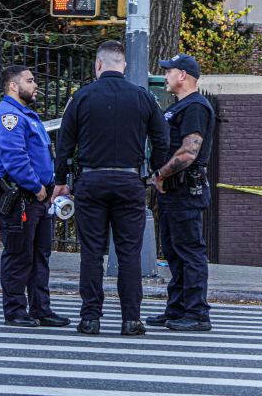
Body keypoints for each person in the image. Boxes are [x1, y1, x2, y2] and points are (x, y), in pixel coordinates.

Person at [53, 41, 171, 335]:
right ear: (124, 66)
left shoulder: (81, 97)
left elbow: (64, 144)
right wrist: (155, 171)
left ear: (98, 65)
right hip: (130, 181)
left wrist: (61, 181)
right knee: (129, 252)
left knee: (91, 252)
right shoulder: (142, 97)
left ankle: (90, 317)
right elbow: (162, 138)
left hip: (91, 181)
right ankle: (131, 319)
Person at [0, 65, 69, 328]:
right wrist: (37, 187)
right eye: (30, 80)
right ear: (13, 86)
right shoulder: (9, 117)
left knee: (40, 254)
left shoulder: (27, 115)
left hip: (37, 197)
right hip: (20, 195)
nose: (36, 85)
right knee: (18, 254)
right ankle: (15, 310)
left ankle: (41, 309)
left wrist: (50, 186)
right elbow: (15, 160)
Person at [146, 53, 214, 332]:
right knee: (174, 251)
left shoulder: (195, 107)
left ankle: (197, 313)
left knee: (189, 252)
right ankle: (176, 308)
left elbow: (189, 152)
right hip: (173, 191)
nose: (166, 76)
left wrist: (160, 174)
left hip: (185, 189)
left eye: (169, 71)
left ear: (183, 75)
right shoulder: (180, 106)